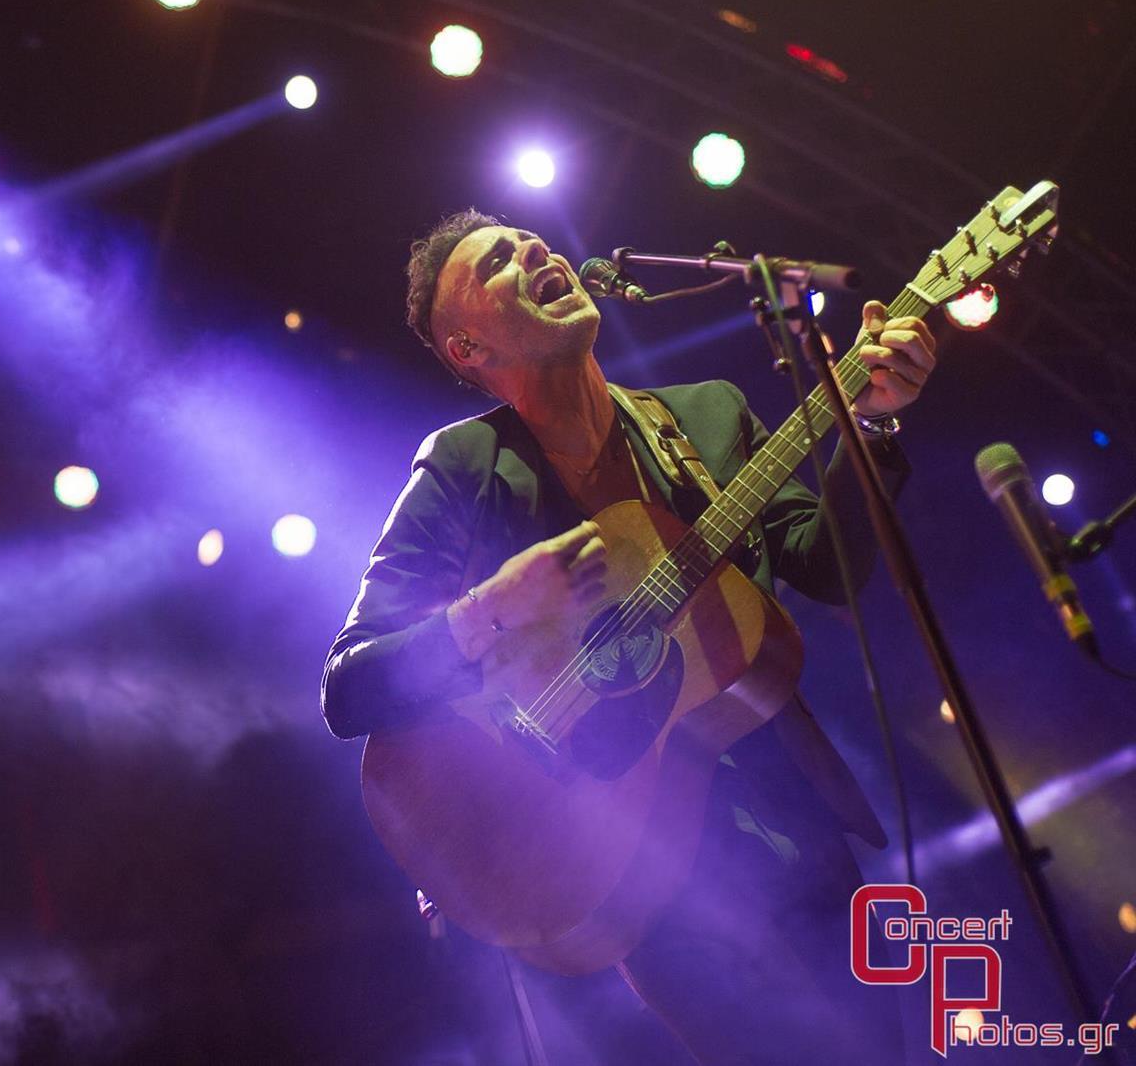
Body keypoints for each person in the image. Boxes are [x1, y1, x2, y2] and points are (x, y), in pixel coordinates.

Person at [321, 210, 938, 1065]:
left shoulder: (708, 419)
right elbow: (351, 687)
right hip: (629, 856)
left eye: (531, 238)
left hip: (793, 820)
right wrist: (488, 608)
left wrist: (867, 424)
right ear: (468, 349)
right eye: (500, 261)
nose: (535, 249)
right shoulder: (464, 467)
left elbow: (825, 565)